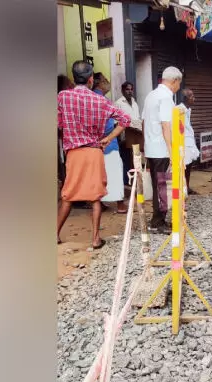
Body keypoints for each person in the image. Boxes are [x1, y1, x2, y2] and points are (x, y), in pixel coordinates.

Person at [57, 60, 131, 249]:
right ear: (91, 79)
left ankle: (55, 234)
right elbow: (125, 119)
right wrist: (107, 138)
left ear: (74, 77)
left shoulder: (63, 96)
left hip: (74, 153)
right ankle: (96, 238)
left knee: (68, 195)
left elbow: (58, 123)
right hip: (94, 152)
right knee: (95, 196)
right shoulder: (101, 100)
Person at [142, 66, 182, 233]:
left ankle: (157, 219)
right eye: (179, 83)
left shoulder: (151, 95)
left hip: (152, 147)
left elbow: (144, 122)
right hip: (162, 149)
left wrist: (145, 144)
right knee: (162, 186)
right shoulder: (166, 97)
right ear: (175, 81)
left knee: (157, 185)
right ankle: (158, 222)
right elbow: (166, 125)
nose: (178, 86)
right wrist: (172, 151)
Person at [115, 81, 143, 212]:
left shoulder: (135, 103)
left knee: (135, 162)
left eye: (131, 89)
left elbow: (137, 118)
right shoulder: (118, 103)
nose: (130, 91)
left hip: (136, 136)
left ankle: (135, 189)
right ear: (122, 90)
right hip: (125, 137)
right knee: (126, 163)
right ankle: (127, 188)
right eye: (127, 89)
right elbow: (117, 122)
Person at [177, 88, 200, 195]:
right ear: (186, 98)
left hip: (189, 141)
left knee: (189, 165)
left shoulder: (188, 110)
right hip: (182, 142)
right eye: (192, 96)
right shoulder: (179, 109)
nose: (194, 99)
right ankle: (182, 189)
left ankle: (186, 186)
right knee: (183, 166)